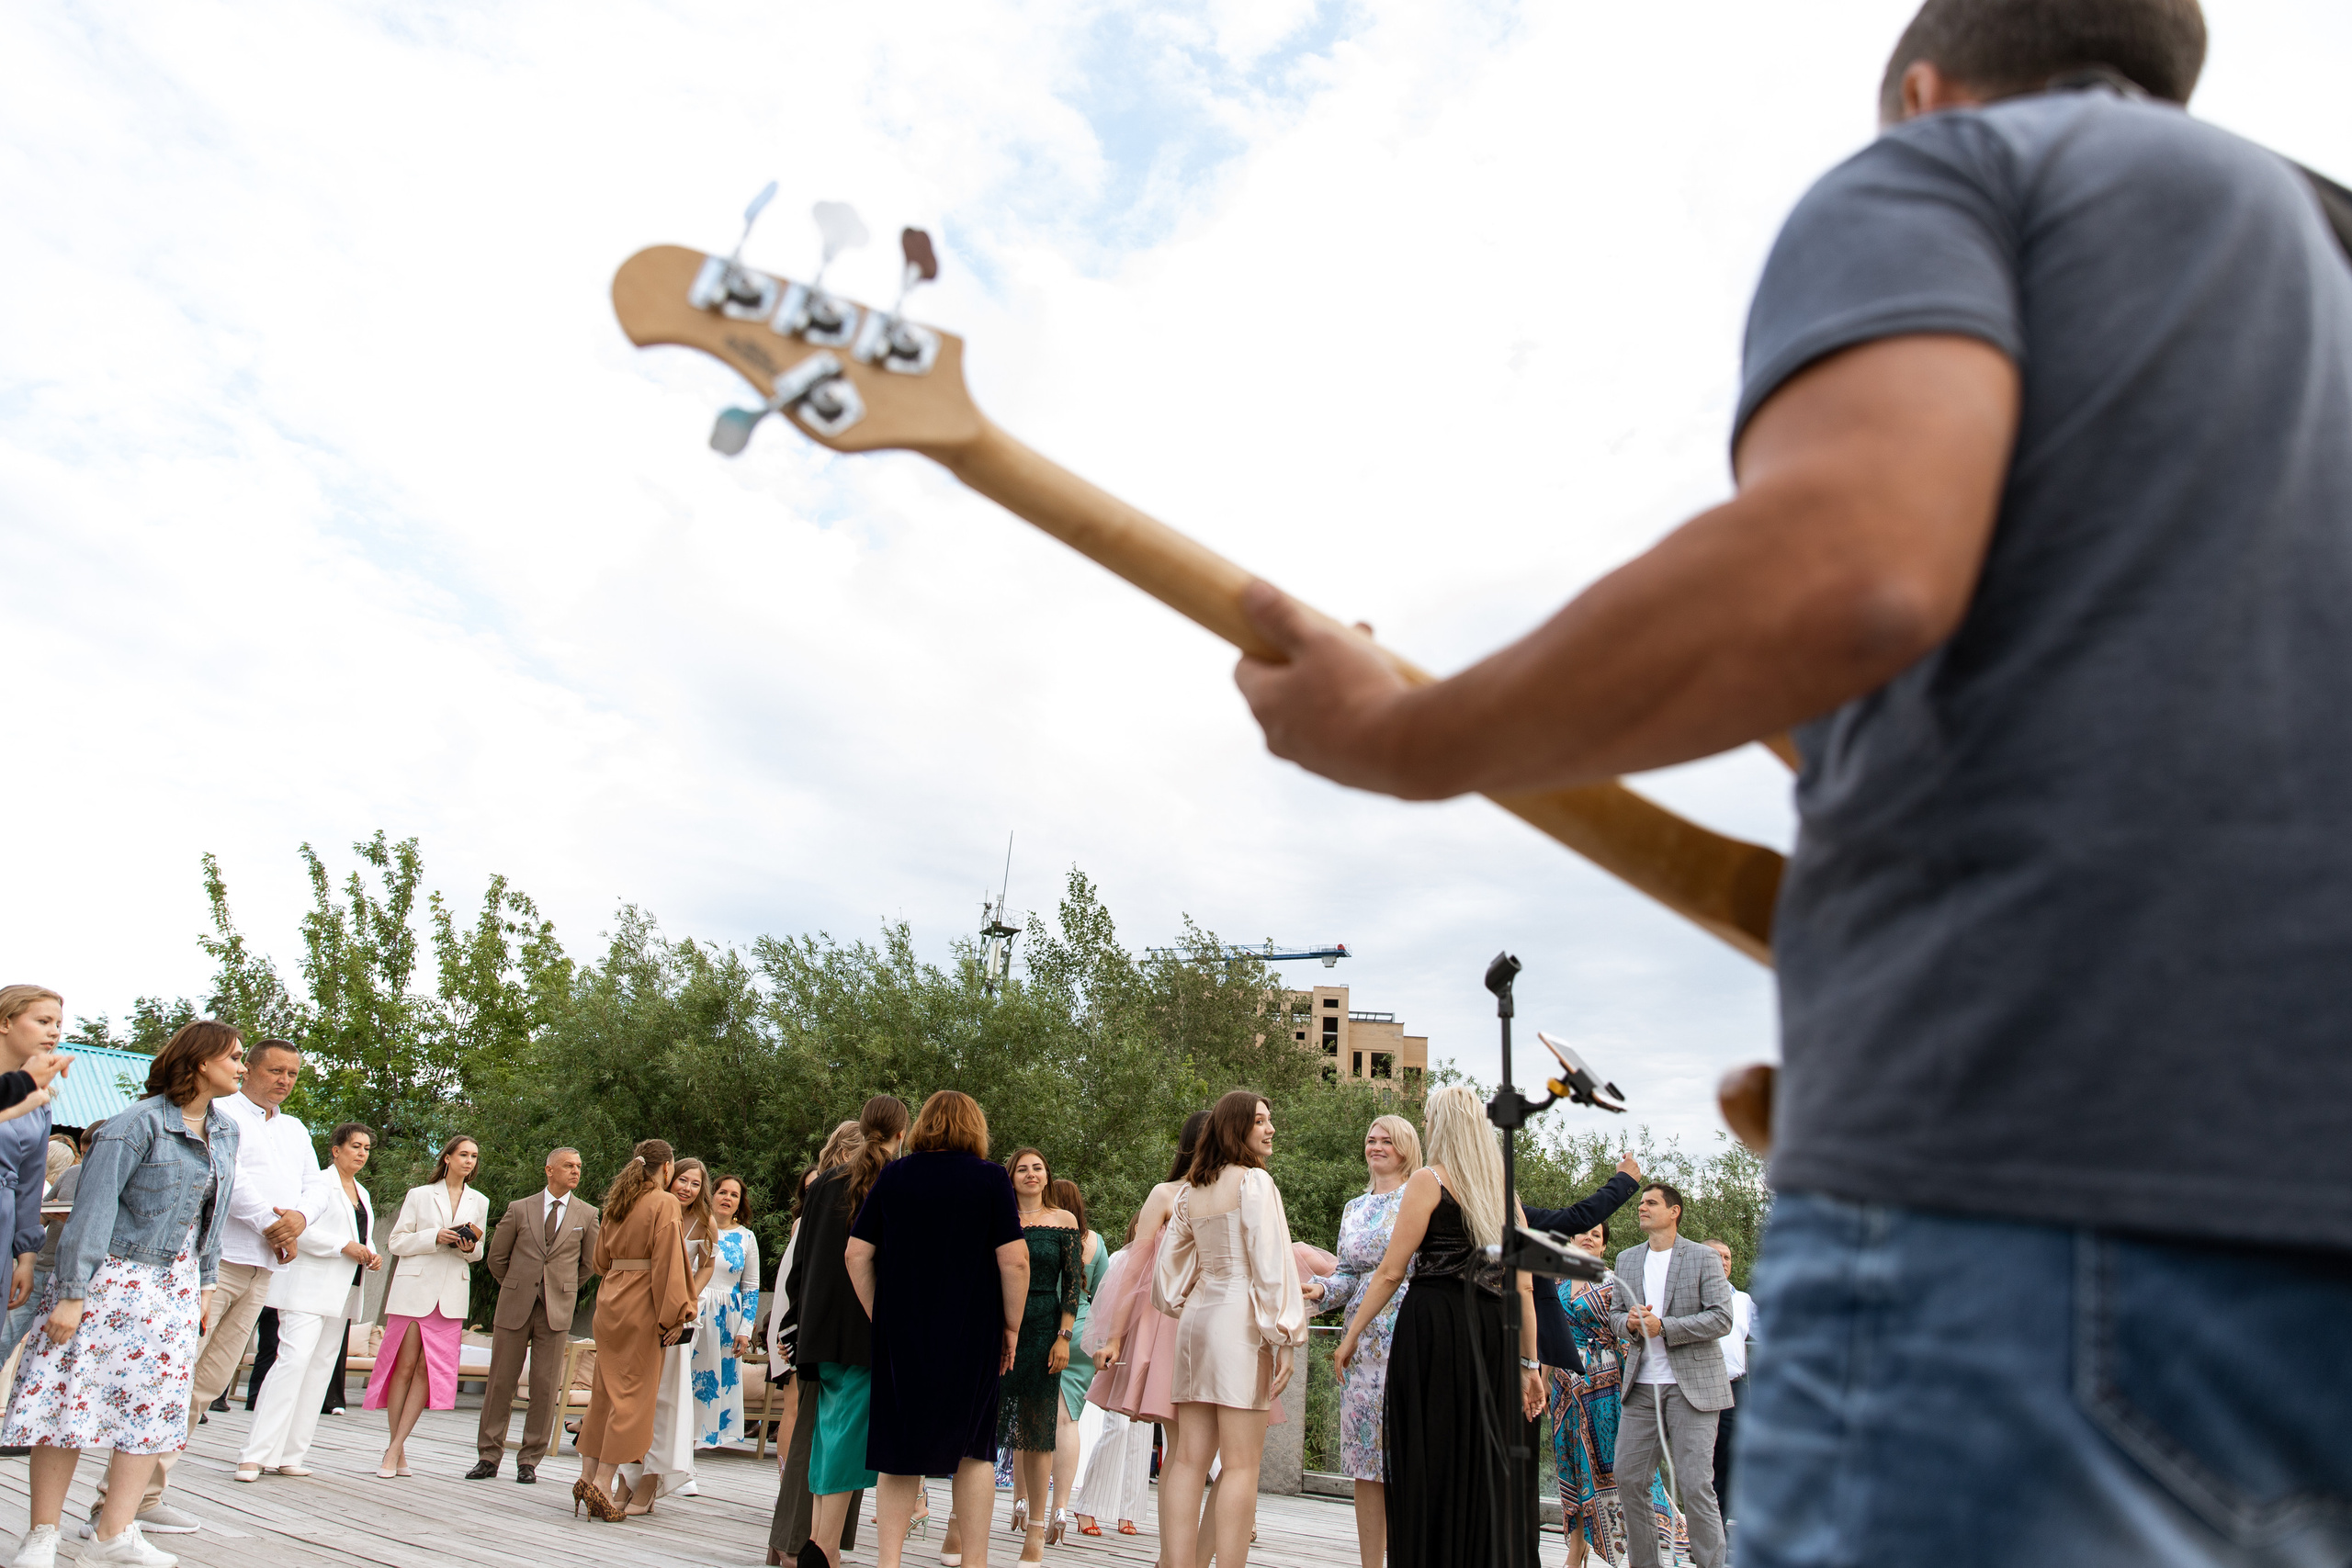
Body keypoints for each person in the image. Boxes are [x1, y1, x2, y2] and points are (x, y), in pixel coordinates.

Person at [1231, 1, 2352, 1562]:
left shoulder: (1960, 167)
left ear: (1927, 89)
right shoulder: (2316, 258)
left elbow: (1853, 562)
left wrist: (1408, 736)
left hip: (2042, 1195)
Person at [1, 1018, 243, 1568]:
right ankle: (41, 1534)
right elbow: (92, 1210)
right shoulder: (135, 1124)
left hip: (175, 1287)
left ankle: (115, 1530)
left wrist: (205, 1281)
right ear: (201, 1062)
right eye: (234, 1057)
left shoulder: (227, 1131)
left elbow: (214, 1213)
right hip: (111, 1280)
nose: (241, 1067)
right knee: (68, 1404)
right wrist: (70, 1292)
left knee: (152, 1409)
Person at [100, 1036, 328, 1529]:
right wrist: (274, 1222)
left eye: (293, 1073)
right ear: (248, 1069)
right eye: (276, 1071)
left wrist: (300, 1220)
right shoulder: (222, 1119)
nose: (285, 1081)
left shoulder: (295, 1131)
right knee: (172, 1379)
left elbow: (318, 1187)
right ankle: (111, 1505)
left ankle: (146, 1498)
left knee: (206, 1387)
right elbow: (229, 1181)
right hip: (215, 1262)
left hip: (264, 1268)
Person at [1336, 1084, 1544, 1568]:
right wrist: (1529, 1363)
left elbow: (1390, 1271)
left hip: (1436, 1329)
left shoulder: (1428, 1181)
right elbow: (1525, 1289)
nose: (1426, 1125)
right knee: (1481, 1458)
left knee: (1432, 1455)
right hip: (1494, 1333)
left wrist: (1352, 1334)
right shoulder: (1504, 1194)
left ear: (1442, 1125)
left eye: (1428, 1118)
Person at [844, 1089, 1027, 1568]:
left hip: (902, 1333)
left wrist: (879, 1313)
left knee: (899, 1450)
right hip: (974, 1333)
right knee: (974, 1450)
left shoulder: (895, 1175)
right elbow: (1016, 1260)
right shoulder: (990, 1179)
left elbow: (856, 1253)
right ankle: (975, 1561)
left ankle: (888, 1562)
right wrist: (1012, 1328)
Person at [1153, 1089, 1309, 1568]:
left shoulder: (1191, 1190)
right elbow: (1272, 1265)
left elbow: (1167, 1277)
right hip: (1239, 1324)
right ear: (1236, 1127)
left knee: (1187, 1461)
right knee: (1241, 1464)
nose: (1271, 1129)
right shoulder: (1254, 1184)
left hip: (1197, 1321)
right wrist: (1284, 1336)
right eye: (1261, 1120)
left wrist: (1189, 1303)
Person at [1078, 1108, 1212, 1547]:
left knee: (1198, 1446)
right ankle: (1174, 1550)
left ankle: (1181, 1548)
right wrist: (1114, 1337)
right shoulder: (1166, 1193)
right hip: (1166, 1319)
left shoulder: (1239, 1190)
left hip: (1216, 1320)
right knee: (1175, 1440)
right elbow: (1134, 1267)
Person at [1300, 1114, 1421, 1568]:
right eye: (1371, 1139)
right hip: (1360, 1342)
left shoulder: (1420, 1195)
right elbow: (1349, 1275)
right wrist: (1322, 1290)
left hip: (1410, 1330)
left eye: (1387, 1140)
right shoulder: (1354, 1207)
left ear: (1406, 1148)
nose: (1376, 1146)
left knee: (1408, 1455)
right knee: (1366, 1462)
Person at [240, 1122, 381, 1480]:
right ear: (336, 1150)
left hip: (345, 1289)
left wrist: (371, 1252)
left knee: (319, 1371)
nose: (362, 1153)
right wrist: (343, 1247)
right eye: (355, 1146)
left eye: (366, 1148)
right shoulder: (317, 1182)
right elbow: (301, 1226)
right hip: (308, 1287)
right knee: (292, 1362)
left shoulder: (362, 1192)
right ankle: (253, 1455)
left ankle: (290, 1454)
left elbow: (361, 1235)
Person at [802, 1099, 909, 1565]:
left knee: (828, 1433)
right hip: (865, 1322)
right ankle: (823, 1548)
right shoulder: (896, 1181)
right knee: (847, 1436)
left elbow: (803, 1257)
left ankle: (818, 1540)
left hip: (820, 1324)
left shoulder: (824, 1181)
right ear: (902, 1132)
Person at [1550, 1224, 1689, 1568]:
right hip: (1566, 1388)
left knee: (1622, 1468)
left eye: (1596, 1235)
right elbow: (1548, 1340)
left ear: (1603, 1247)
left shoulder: (1613, 1283)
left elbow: (1632, 1336)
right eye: (1582, 1233)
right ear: (1570, 1240)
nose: (1588, 1238)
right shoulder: (1554, 1283)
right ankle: (1576, 1549)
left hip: (1607, 1387)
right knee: (1573, 1465)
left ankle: (1649, 1547)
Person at [1609, 1184, 1731, 1568]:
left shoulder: (1702, 1258)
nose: (1641, 1208)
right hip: (1641, 1387)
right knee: (1628, 1479)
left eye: (1651, 1203)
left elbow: (1721, 1317)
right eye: (1641, 1203)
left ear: (1674, 1212)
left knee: (1695, 1486)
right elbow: (1614, 1317)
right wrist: (1627, 1324)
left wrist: (1666, 1327)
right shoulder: (1627, 1259)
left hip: (1691, 1388)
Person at [575, 1138, 696, 1523]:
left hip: (610, 1300)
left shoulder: (617, 1203)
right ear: (666, 1168)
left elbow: (599, 1261)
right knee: (634, 1396)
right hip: (642, 1303)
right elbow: (667, 1262)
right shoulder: (664, 1203)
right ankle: (604, 1483)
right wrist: (676, 1315)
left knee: (605, 1394)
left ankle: (586, 1476)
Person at [469, 1146, 601, 1484]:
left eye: (579, 1166)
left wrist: (561, 1287)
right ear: (549, 1170)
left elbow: (590, 1264)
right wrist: (516, 1285)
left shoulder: (587, 1215)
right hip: (515, 1305)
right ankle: (488, 1455)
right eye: (569, 1166)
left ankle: (529, 1460)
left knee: (544, 1386)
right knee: (501, 1382)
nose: (576, 1171)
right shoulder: (519, 1208)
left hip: (556, 1310)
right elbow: (497, 1258)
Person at [766, 1121, 865, 1567]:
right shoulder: (826, 1203)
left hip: (822, 1334)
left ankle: (812, 1546)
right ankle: (793, 1545)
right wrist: (791, 1332)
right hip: (819, 1336)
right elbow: (797, 1275)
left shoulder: (834, 1200)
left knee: (833, 1438)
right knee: (813, 1437)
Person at [366, 1134, 488, 1479]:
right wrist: (435, 1236)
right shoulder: (419, 1195)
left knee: (426, 1372)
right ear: (447, 1158)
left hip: (450, 1295)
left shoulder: (480, 1201)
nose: (469, 1161)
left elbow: (478, 1252)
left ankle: (394, 1448)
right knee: (403, 1368)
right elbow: (396, 1242)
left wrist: (466, 1246)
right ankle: (396, 1449)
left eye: (474, 1156)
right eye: (463, 1154)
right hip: (414, 1291)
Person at [616, 1156, 718, 1510]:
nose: (687, 1188)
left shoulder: (705, 1224)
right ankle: (624, 1479)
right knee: (635, 1396)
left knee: (666, 1399)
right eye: (682, 1180)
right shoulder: (653, 1210)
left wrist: (687, 1304)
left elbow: (706, 1266)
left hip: (679, 1317)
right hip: (643, 1311)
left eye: (695, 1183)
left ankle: (649, 1483)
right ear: (669, 1177)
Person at [994, 1148, 1080, 1560]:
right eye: (1022, 1169)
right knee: (986, 1422)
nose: (1030, 1174)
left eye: (1038, 1168)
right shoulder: (997, 1218)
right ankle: (958, 1522)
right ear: (1010, 1178)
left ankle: (1035, 1531)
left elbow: (1072, 1287)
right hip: (998, 1328)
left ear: (1047, 1176)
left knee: (1040, 1427)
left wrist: (1063, 1337)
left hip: (1046, 1327)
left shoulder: (1064, 1221)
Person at [1045, 1178, 1103, 1539]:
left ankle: (1023, 1503)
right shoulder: (1096, 1243)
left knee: (1032, 1419)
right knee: (1068, 1423)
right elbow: (1104, 1293)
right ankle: (1062, 1507)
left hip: (1048, 1329)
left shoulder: (1045, 1234)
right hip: (1083, 1333)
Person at [693, 1173, 761, 1450]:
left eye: (734, 1195)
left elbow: (752, 1286)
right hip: (694, 1309)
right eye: (722, 1192)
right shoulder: (696, 1226)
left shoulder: (746, 1237)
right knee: (688, 1377)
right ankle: (682, 1441)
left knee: (715, 1382)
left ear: (739, 1203)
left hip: (727, 1318)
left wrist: (745, 1329)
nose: (727, 1198)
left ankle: (704, 1440)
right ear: (712, 1195)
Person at [1700, 1239, 1752, 1530]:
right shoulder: (1689, 1296)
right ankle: (1694, 1530)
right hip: (1696, 1387)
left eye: (1727, 1257)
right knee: (1696, 1462)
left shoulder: (1743, 1301)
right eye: (1715, 1255)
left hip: (1734, 1389)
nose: (1723, 1261)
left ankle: (1714, 1535)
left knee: (1729, 1462)